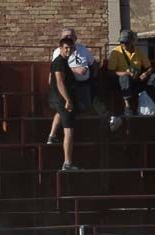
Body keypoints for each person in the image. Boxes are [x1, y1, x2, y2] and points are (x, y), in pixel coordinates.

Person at [47, 26, 122, 134]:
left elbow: (93, 63)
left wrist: (93, 75)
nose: (69, 37)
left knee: (95, 93)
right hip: (71, 83)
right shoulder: (59, 52)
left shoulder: (82, 49)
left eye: (71, 36)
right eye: (66, 36)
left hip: (85, 81)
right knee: (80, 106)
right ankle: (57, 133)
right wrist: (75, 70)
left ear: (76, 38)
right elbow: (58, 70)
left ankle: (109, 118)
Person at [108, 29, 155, 117]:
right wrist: (126, 73)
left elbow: (150, 68)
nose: (124, 44)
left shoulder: (139, 51)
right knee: (125, 78)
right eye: (122, 42)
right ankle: (127, 107)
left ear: (132, 41)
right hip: (123, 82)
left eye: (126, 42)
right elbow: (110, 72)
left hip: (137, 80)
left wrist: (146, 74)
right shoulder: (115, 52)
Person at [48, 37, 81, 172]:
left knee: (58, 114)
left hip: (57, 100)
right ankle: (67, 163)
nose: (68, 50)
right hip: (62, 100)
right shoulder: (59, 62)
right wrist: (67, 100)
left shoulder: (61, 62)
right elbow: (60, 82)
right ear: (60, 48)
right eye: (66, 47)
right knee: (69, 132)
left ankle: (52, 136)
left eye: (70, 48)